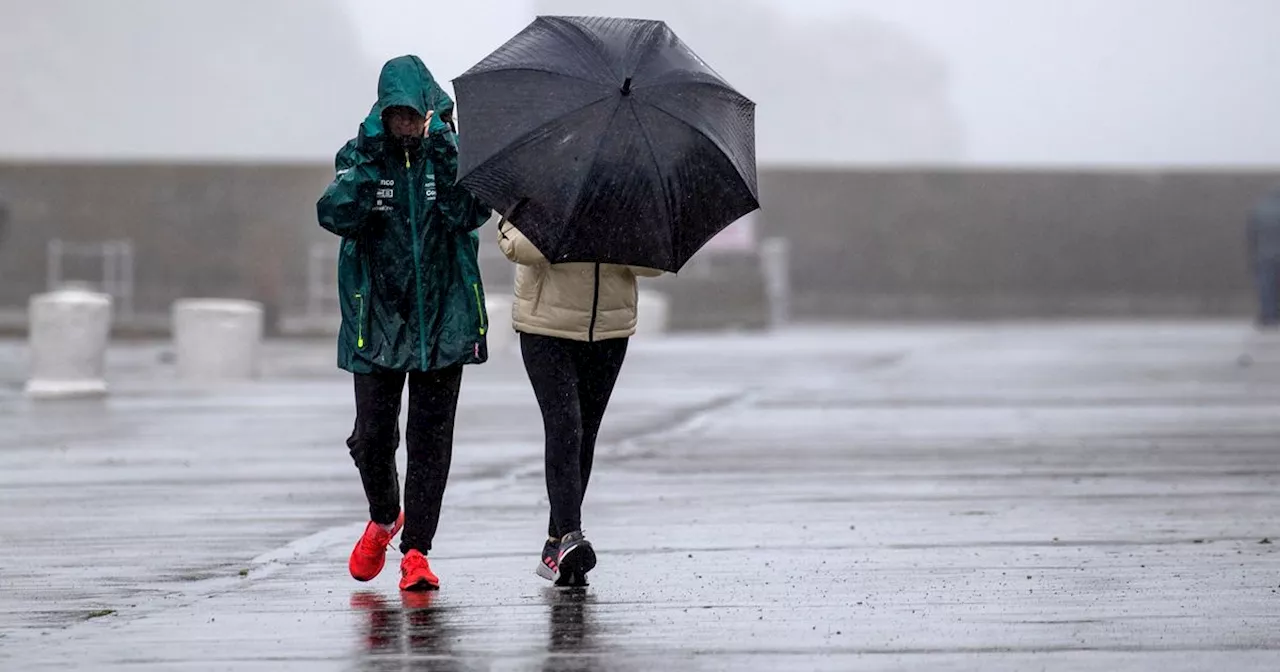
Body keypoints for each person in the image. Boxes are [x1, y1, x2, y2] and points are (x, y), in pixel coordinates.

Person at [317, 55, 491, 592]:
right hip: (378, 322)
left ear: (431, 112)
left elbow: (470, 214)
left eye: (413, 116)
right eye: (396, 117)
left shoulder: (453, 156)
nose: (405, 126)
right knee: (372, 438)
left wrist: (445, 150)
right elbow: (335, 215)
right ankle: (384, 514)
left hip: (443, 321)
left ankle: (417, 551)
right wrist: (369, 163)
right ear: (382, 115)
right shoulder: (361, 156)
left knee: (430, 442)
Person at [498, 216, 662, 586]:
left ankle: (557, 544)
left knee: (584, 433)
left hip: (609, 329)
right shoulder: (536, 180)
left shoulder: (628, 191)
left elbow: (653, 265)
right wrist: (569, 226)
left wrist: (615, 231)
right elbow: (515, 246)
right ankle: (571, 534)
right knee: (565, 427)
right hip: (545, 327)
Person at [1248, 187, 1280, 329]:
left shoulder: (1260, 209)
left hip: (1265, 253)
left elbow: (1251, 233)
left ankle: (1269, 315)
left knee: (1267, 287)